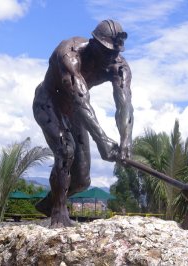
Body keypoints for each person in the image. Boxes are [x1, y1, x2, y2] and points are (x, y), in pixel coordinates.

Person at [33, 19, 133, 227]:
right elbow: (80, 98)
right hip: (49, 102)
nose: (112, 58)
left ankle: (49, 203)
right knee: (66, 151)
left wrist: (126, 140)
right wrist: (103, 140)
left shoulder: (119, 66)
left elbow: (124, 105)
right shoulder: (68, 54)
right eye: (107, 52)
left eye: (115, 53)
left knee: (81, 180)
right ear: (93, 43)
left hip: (75, 112)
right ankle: (59, 213)